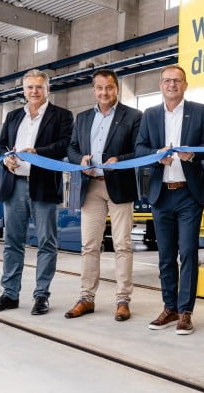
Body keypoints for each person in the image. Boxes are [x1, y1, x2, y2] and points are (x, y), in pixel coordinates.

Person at [0, 69, 73, 315]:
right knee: (12, 242)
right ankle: (9, 294)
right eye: (30, 87)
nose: (34, 91)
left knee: (47, 242)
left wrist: (39, 152)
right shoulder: (13, 116)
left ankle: (41, 295)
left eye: (39, 87)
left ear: (48, 89)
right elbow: (0, 145)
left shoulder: (62, 116)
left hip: (43, 186)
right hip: (14, 186)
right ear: (23, 90)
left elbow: (65, 144)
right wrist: (5, 159)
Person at [135, 65, 204, 335]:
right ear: (160, 85)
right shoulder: (150, 114)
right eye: (167, 81)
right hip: (161, 193)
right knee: (165, 255)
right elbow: (140, 147)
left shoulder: (200, 112)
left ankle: (186, 312)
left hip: (189, 193)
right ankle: (170, 307)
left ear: (185, 84)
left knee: (188, 253)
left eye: (177, 81)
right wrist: (157, 154)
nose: (172, 85)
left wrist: (192, 155)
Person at [64, 69, 143, 322]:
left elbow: (140, 151)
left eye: (109, 87)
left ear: (116, 88)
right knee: (89, 245)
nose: (104, 92)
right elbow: (72, 148)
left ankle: (122, 300)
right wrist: (81, 160)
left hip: (119, 185)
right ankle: (86, 297)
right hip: (91, 186)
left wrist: (119, 159)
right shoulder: (84, 117)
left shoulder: (133, 116)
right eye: (99, 88)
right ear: (94, 90)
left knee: (123, 245)